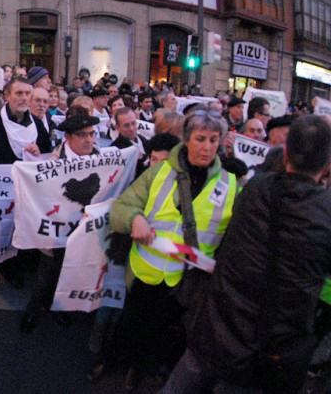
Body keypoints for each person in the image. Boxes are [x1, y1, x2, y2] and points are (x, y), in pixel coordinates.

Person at [162, 115, 331, 394]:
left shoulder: (256, 188)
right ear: (327, 166)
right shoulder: (324, 210)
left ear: (286, 152)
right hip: (267, 343)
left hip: (218, 321)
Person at [109, 106, 237, 390]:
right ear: (187, 139)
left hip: (189, 280)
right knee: (136, 325)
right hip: (147, 272)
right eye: (201, 139)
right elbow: (120, 208)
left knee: (169, 332)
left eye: (214, 140)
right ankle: (133, 368)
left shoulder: (230, 185)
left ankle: (155, 369)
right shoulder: (159, 173)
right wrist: (135, 218)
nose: (207, 147)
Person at [22, 108, 101, 333]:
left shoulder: (100, 157)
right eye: (83, 135)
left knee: (69, 272)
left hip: (81, 231)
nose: (89, 139)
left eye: (91, 133)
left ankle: (58, 309)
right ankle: (33, 310)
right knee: (45, 275)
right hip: (55, 230)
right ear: (68, 138)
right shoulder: (54, 162)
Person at [0, 77, 51, 164]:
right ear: (7, 95)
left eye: (27, 94)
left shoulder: (38, 124)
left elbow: (48, 154)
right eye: (19, 93)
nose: (24, 98)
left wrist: (39, 152)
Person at [112, 107, 149, 178]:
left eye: (133, 123)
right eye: (126, 125)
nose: (131, 128)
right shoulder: (116, 151)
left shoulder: (146, 142)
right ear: (118, 128)